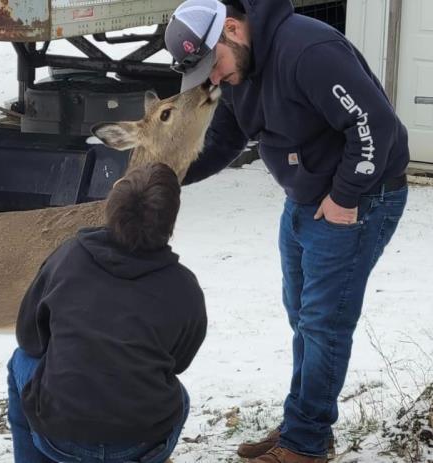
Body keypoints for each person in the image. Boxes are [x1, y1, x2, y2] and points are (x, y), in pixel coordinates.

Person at [164, 1, 409, 462]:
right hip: (304, 198)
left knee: (323, 323)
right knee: (303, 316)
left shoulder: (309, 51)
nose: (213, 80)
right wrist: (170, 171)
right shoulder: (242, 69)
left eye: (213, 64)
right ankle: (305, 425)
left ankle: (306, 445)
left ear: (233, 29)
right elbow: (226, 140)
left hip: (357, 199)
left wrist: (344, 196)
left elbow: (373, 124)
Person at [7, 162, 207, 463]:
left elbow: (29, 336)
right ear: (170, 223)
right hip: (141, 443)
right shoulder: (184, 285)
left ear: (111, 207)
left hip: (60, 439)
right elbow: (179, 361)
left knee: (21, 361)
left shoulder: (67, 257)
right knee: (178, 395)